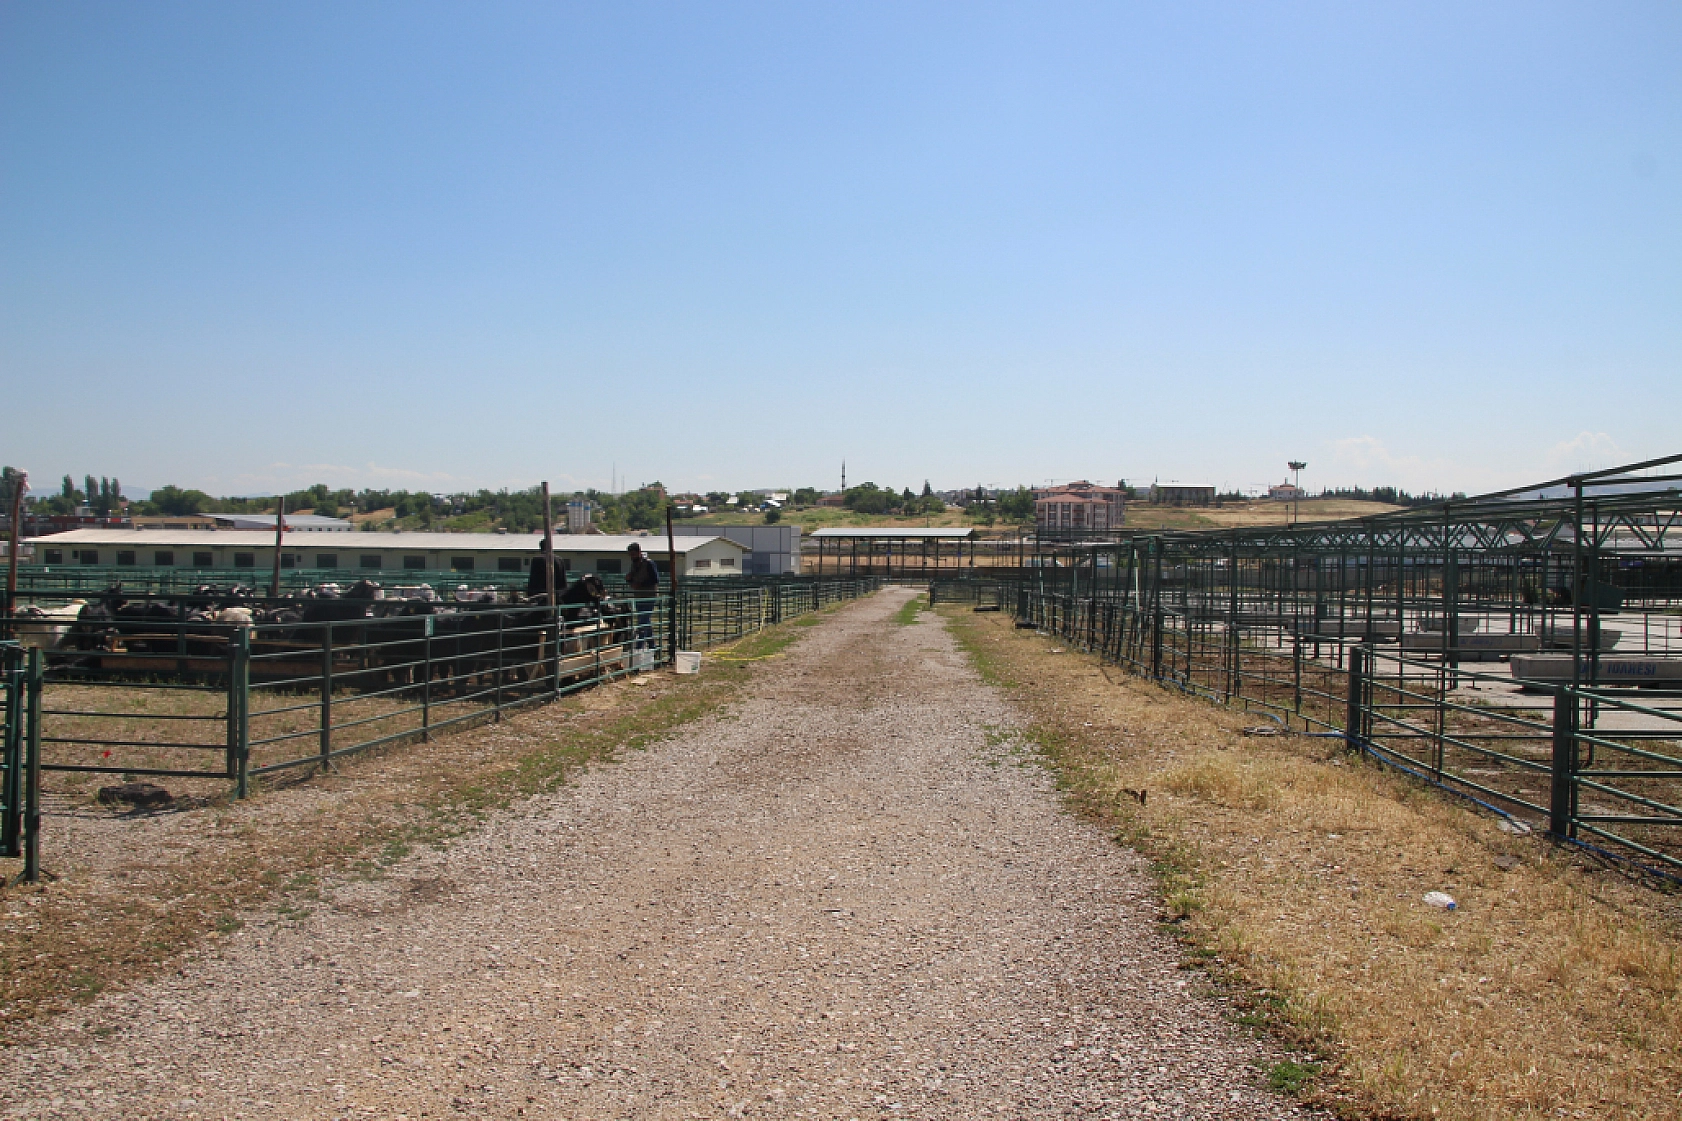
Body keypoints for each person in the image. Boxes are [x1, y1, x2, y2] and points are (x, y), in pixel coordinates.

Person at [624, 542, 660, 652]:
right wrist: (629, 579)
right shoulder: (634, 564)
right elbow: (633, 578)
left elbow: (655, 579)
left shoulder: (649, 563)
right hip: (639, 595)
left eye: (634, 554)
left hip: (649, 594)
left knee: (643, 620)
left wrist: (641, 584)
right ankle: (652, 646)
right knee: (644, 619)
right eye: (631, 555)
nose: (632, 557)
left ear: (639, 552)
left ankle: (639, 646)